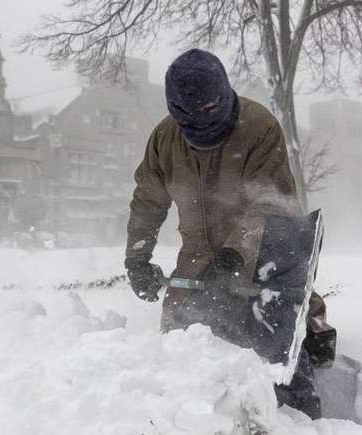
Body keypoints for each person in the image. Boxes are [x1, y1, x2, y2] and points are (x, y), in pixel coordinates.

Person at [124, 48, 336, 420]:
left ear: (223, 96)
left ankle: (300, 415)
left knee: (275, 343)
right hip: (197, 258)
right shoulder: (164, 140)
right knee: (181, 344)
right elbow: (148, 201)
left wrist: (236, 254)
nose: (201, 129)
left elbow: (272, 205)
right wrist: (137, 258)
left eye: (209, 115)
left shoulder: (259, 128)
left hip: (260, 251)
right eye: (191, 122)